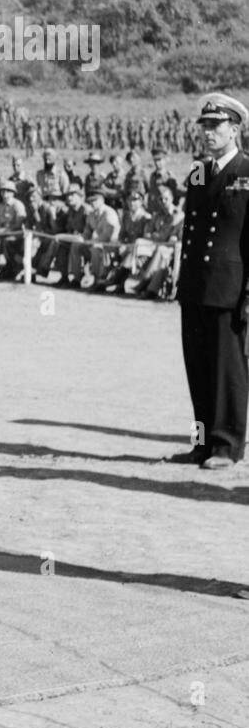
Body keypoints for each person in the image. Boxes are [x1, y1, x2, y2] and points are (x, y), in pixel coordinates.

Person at [170, 94, 249, 471]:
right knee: (198, 367)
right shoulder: (198, 172)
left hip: (229, 286)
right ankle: (201, 444)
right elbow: (191, 232)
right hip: (196, 285)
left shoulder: (247, 171)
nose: (208, 133)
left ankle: (227, 445)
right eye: (204, 126)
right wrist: (182, 279)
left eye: (216, 126)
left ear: (235, 129)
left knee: (227, 370)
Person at [137, 182, 183, 299]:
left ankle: (147, 285)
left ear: (172, 199)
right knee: (139, 244)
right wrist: (153, 235)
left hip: (173, 248)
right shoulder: (157, 215)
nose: (163, 202)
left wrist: (173, 238)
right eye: (161, 199)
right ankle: (146, 284)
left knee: (161, 252)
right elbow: (148, 232)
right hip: (156, 245)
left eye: (166, 199)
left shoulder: (179, 215)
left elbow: (179, 235)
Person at [82, 185, 122, 288]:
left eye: (95, 200)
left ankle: (98, 279)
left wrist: (92, 241)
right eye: (90, 201)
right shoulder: (91, 214)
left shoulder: (109, 213)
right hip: (96, 242)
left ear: (102, 200)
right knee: (76, 246)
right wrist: (83, 240)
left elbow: (107, 236)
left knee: (96, 249)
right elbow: (87, 230)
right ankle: (76, 277)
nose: (92, 203)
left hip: (110, 245)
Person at [0, 180, 28, 279]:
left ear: (13, 193)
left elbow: (19, 223)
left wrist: (5, 230)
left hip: (15, 234)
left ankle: (13, 269)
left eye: (7, 191)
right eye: (3, 191)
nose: (5, 194)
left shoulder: (17, 205)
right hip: (3, 232)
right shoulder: (0, 205)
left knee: (8, 242)